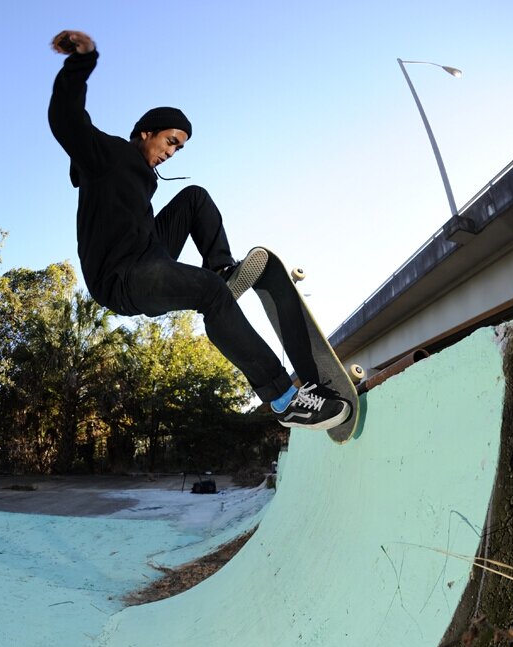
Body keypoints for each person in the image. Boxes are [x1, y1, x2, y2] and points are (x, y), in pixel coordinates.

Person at [49, 30, 351, 430]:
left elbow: (163, 219)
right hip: (121, 278)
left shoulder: (147, 179)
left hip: (148, 255)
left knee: (194, 197)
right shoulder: (105, 155)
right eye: (170, 141)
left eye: (178, 148)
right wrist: (81, 60)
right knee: (208, 294)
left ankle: (223, 271)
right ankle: (283, 399)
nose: (171, 152)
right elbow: (66, 119)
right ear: (147, 131)